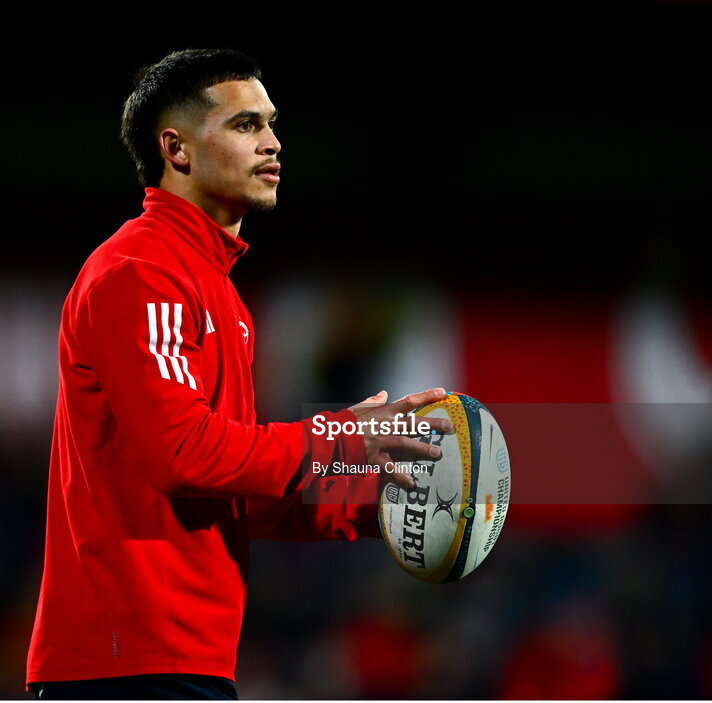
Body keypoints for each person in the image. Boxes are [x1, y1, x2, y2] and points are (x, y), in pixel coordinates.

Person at [25, 48, 449, 700]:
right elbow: (184, 455)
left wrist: (374, 506)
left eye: (272, 124)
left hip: (177, 660)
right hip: (126, 664)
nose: (274, 143)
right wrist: (338, 437)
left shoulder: (217, 291)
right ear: (178, 149)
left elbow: (232, 486)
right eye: (246, 125)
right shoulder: (140, 271)